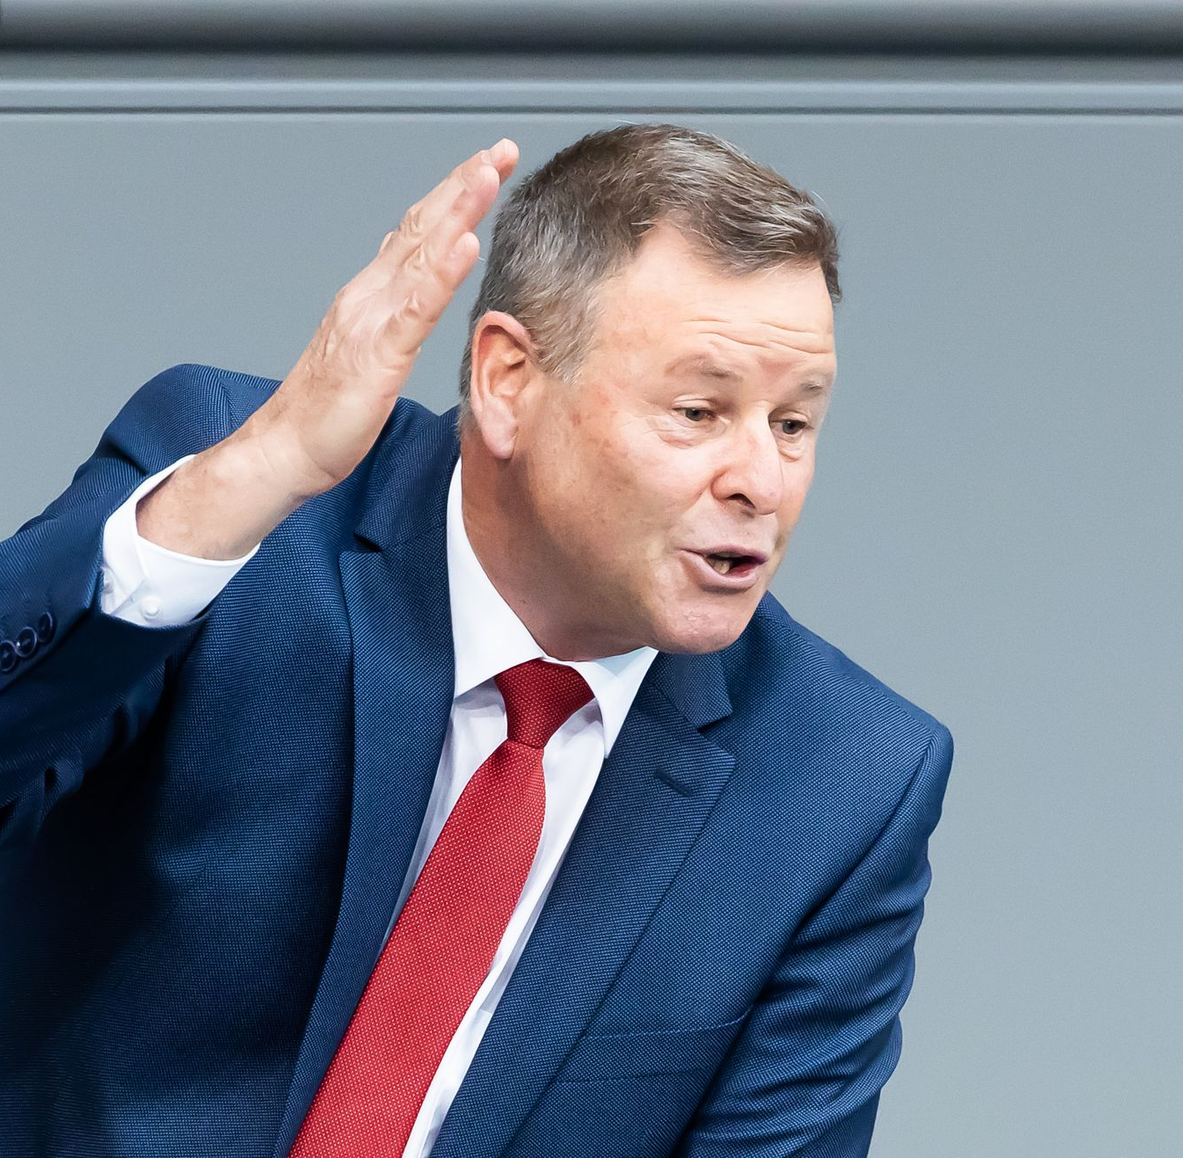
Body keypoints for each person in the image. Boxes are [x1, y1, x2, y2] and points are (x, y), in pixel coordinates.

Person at [0, 123, 953, 1157]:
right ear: (507, 381)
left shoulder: (845, 781)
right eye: (698, 408)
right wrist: (253, 476)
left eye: (794, 424)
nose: (761, 481)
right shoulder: (237, 508)